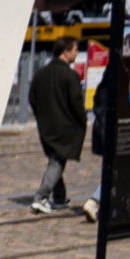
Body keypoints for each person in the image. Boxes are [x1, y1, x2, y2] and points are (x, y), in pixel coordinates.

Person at [27, 41, 86, 215]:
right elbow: (77, 103)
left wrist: (41, 116)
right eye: (75, 50)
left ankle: (59, 198)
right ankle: (41, 197)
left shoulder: (41, 74)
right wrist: (81, 121)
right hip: (65, 127)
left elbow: (32, 98)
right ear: (65, 52)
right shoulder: (71, 75)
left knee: (56, 159)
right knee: (57, 161)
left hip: (45, 125)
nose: (77, 54)